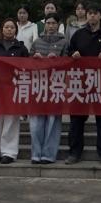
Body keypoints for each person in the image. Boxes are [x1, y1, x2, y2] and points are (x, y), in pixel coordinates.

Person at [66, 5, 101, 165]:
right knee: (76, 120)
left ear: (100, 15)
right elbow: (69, 53)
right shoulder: (78, 34)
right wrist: (73, 54)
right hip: (81, 82)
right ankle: (74, 152)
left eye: (95, 13)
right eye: (90, 13)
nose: (92, 16)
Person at [0, 18, 29, 163]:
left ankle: (9, 152)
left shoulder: (21, 48)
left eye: (12, 27)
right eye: (6, 27)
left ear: (16, 30)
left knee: (11, 121)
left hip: (13, 88)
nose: (9, 29)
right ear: (2, 30)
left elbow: (27, 68)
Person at [30, 14, 68, 164]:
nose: (50, 26)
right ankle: (36, 154)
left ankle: (48, 155)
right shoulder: (36, 42)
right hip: (39, 86)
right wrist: (35, 58)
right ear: (44, 24)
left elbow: (68, 63)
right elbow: (27, 62)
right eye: (48, 23)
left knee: (53, 122)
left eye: (53, 23)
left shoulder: (64, 42)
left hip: (56, 86)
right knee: (36, 123)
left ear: (58, 25)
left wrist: (58, 60)